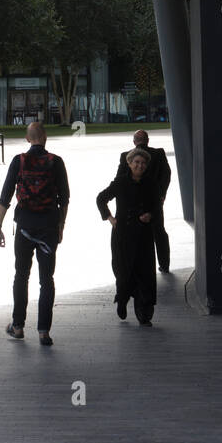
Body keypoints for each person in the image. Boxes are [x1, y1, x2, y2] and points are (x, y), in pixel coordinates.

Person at [0, 121, 69, 346]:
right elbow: (64, 198)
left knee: (21, 275)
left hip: (25, 226)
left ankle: (17, 326)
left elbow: (6, 194)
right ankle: (44, 331)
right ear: (45, 137)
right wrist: (61, 225)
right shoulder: (56, 162)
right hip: (48, 226)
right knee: (46, 280)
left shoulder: (19, 161)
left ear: (28, 139)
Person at [97, 146, 161, 325]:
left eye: (143, 163)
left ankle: (144, 312)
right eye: (136, 162)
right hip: (123, 234)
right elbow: (101, 198)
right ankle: (122, 298)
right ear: (130, 163)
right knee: (123, 271)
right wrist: (109, 218)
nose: (140, 166)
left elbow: (157, 206)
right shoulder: (120, 182)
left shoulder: (151, 183)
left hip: (143, 234)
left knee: (145, 272)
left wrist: (151, 215)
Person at [117, 130, 171, 272]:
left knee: (134, 233)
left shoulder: (126, 156)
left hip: (133, 202)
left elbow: (120, 180)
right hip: (154, 200)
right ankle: (164, 264)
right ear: (147, 140)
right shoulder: (159, 153)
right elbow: (166, 174)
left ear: (134, 141)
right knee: (159, 232)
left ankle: (135, 265)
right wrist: (162, 194)